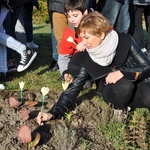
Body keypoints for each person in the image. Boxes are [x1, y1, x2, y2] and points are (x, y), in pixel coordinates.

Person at [37, 11, 150, 125]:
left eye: (87, 38)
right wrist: (53, 112)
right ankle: (120, 109)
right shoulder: (88, 57)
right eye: (82, 38)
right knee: (124, 86)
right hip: (112, 90)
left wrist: (123, 72)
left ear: (101, 34)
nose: (84, 43)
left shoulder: (125, 40)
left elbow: (147, 67)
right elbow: (73, 88)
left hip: (135, 80)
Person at [0, 0, 37, 73]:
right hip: (6, 4)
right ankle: (3, 71)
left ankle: (24, 50)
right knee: (1, 31)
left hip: (7, 3)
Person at [47, 0, 68, 71]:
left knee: (77, 38)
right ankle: (64, 68)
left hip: (76, 5)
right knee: (61, 41)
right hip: (58, 6)